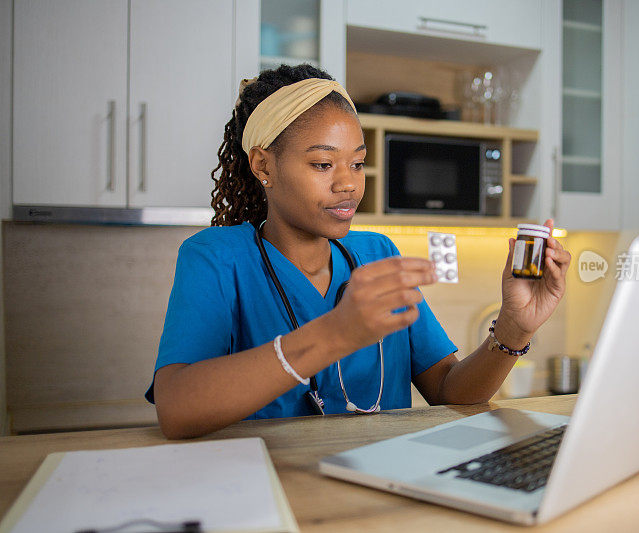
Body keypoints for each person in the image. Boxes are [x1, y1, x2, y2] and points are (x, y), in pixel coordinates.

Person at [145, 64, 571, 439]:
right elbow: (177, 410)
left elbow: (450, 393)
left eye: (357, 163)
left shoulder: (377, 253)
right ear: (263, 166)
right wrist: (335, 334)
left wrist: (514, 328)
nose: (347, 183)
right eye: (322, 165)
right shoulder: (216, 258)